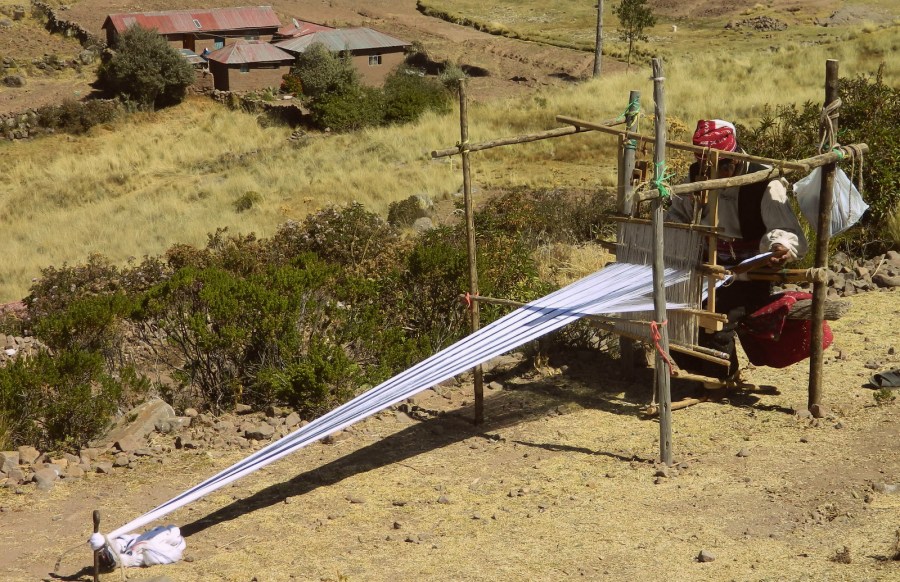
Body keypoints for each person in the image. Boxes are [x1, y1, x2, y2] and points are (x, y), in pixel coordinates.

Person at [667, 119, 808, 382]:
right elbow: (678, 214)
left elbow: (785, 228)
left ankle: (719, 379)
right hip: (706, 267)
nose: (719, 172)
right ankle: (706, 375)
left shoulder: (764, 179)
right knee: (674, 316)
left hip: (749, 273)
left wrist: (780, 247)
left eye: (725, 164)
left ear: (735, 156)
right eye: (712, 166)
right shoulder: (699, 175)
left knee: (717, 321)